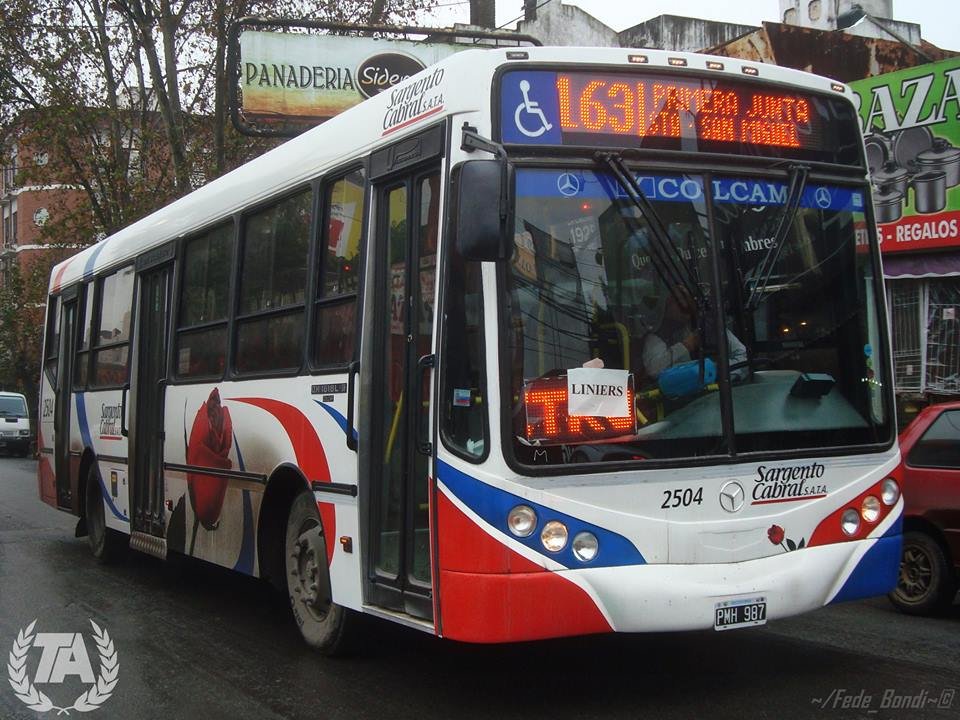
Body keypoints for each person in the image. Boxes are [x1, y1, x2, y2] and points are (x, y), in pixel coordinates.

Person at [640, 284, 748, 383]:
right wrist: (686, 346)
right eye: (676, 301)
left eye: (685, 298)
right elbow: (653, 370)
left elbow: (743, 357)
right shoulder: (657, 337)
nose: (683, 304)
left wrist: (714, 370)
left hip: (719, 395)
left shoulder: (710, 328)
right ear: (665, 306)